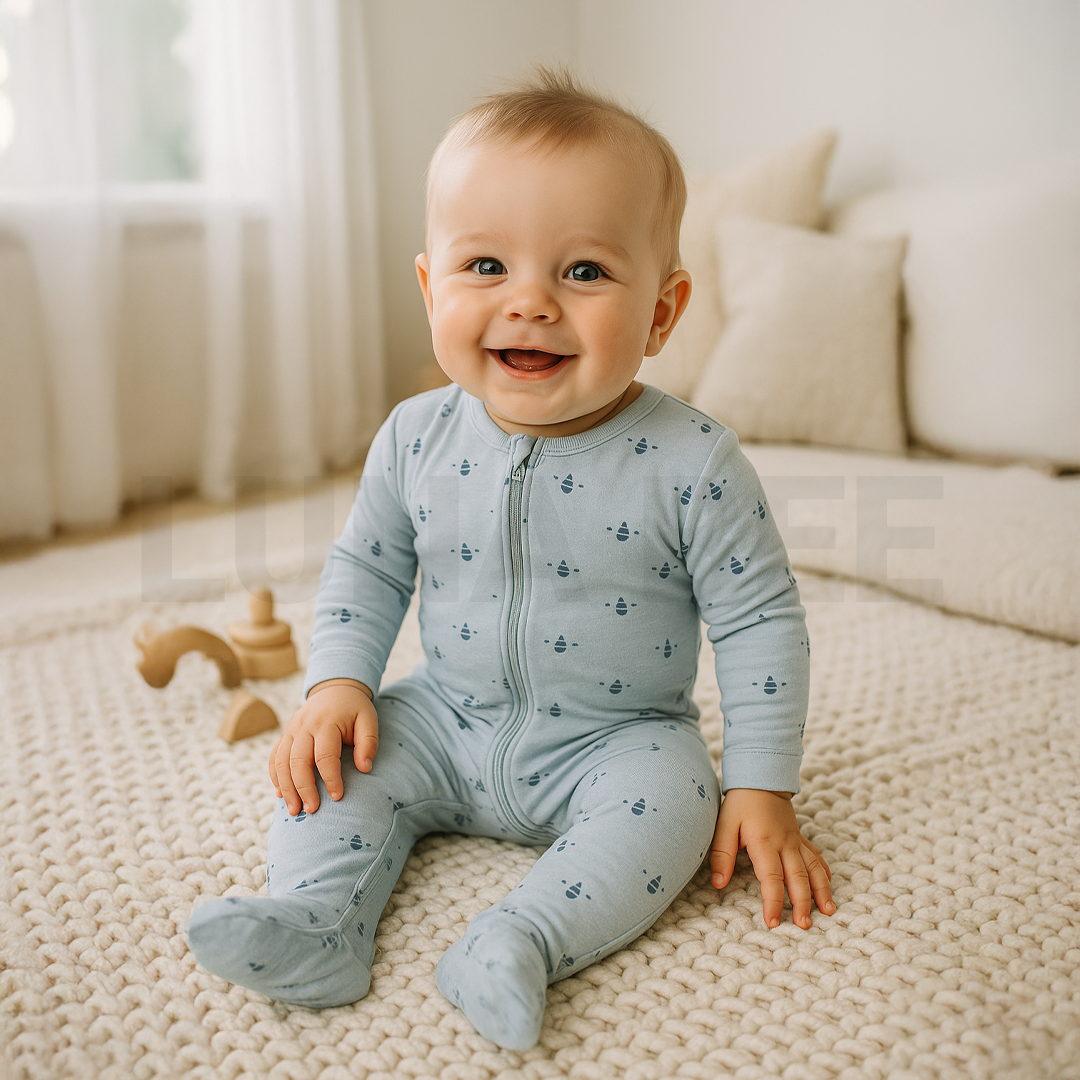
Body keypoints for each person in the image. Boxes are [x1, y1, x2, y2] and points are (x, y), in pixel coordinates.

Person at [188, 67, 834, 1051]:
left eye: (584, 272)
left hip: (617, 739)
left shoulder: (694, 462)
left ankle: (518, 939)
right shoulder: (414, 437)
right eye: (486, 265)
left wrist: (761, 782)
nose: (529, 302)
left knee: (678, 803)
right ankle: (317, 921)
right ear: (430, 288)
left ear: (663, 313)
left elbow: (759, 622)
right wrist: (338, 683)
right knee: (332, 766)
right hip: (445, 716)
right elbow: (367, 567)